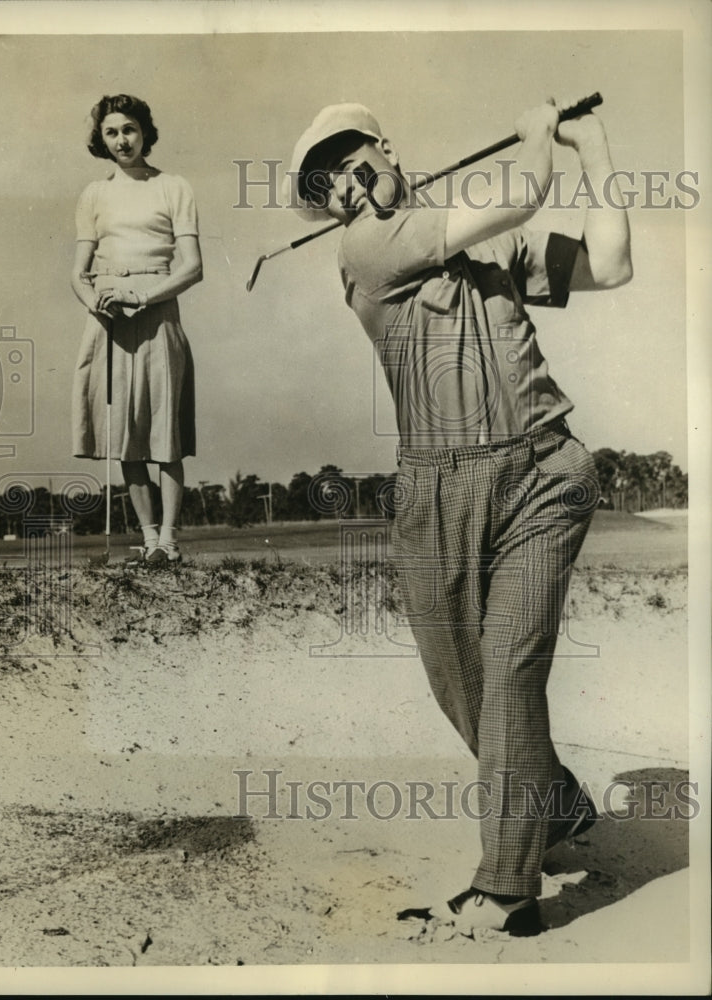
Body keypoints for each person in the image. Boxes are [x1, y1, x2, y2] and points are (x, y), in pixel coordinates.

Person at [287, 100, 632, 937]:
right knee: (463, 688)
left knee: (511, 670)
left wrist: (595, 148)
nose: (343, 179)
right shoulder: (365, 251)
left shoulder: (489, 246)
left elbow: (612, 265)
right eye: (323, 178)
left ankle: (504, 886)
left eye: (350, 155)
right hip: (434, 492)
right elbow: (519, 191)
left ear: (386, 147)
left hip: (544, 476)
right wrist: (537, 135)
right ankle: (551, 805)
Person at [71, 93, 203, 565]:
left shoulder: (174, 186)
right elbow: (77, 273)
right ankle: (148, 541)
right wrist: (96, 304)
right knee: (124, 434)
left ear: (144, 131)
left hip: (157, 311)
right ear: (100, 140)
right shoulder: (94, 194)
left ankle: (169, 541)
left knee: (165, 433)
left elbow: (193, 268)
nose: (121, 140)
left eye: (129, 129)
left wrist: (142, 296)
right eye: (111, 132)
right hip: (108, 320)